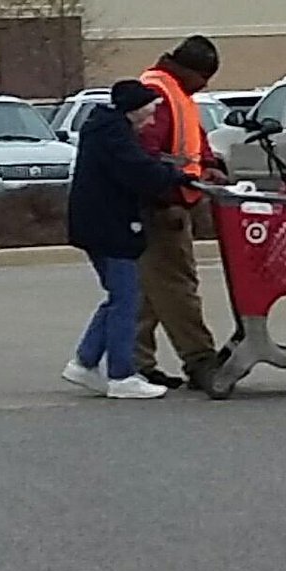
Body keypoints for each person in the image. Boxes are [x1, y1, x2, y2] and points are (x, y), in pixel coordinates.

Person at [63, 79, 190, 400]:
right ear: (132, 111)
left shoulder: (107, 130)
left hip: (96, 222)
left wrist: (168, 167)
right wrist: (176, 178)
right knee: (127, 297)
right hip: (109, 224)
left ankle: (84, 361)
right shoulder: (114, 136)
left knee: (118, 296)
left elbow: (138, 164)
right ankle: (121, 374)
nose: (150, 121)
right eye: (147, 114)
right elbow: (139, 172)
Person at [138, 35, 223, 393]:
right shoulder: (157, 94)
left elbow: (191, 141)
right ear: (191, 70)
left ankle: (133, 362)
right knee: (176, 286)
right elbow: (146, 156)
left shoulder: (177, 94)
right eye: (204, 77)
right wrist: (165, 198)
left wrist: (210, 164)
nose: (206, 85)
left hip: (172, 199)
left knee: (148, 289)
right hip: (163, 205)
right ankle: (200, 357)